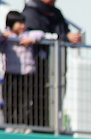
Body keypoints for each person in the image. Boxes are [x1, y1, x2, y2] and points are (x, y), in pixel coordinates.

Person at [22, 0, 80, 129]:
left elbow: (63, 33)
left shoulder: (56, 14)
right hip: (37, 67)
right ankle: (35, 127)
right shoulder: (31, 12)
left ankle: (50, 127)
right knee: (36, 97)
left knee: (53, 97)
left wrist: (71, 38)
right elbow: (36, 35)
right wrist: (65, 37)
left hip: (55, 68)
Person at [0, 11, 45, 127]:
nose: (22, 26)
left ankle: (22, 124)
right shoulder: (6, 37)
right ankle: (9, 124)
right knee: (10, 101)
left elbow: (41, 34)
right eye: (18, 23)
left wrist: (30, 39)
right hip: (11, 73)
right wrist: (4, 37)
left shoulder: (28, 35)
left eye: (23, 23)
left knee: (24, 101)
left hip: (27, 74)